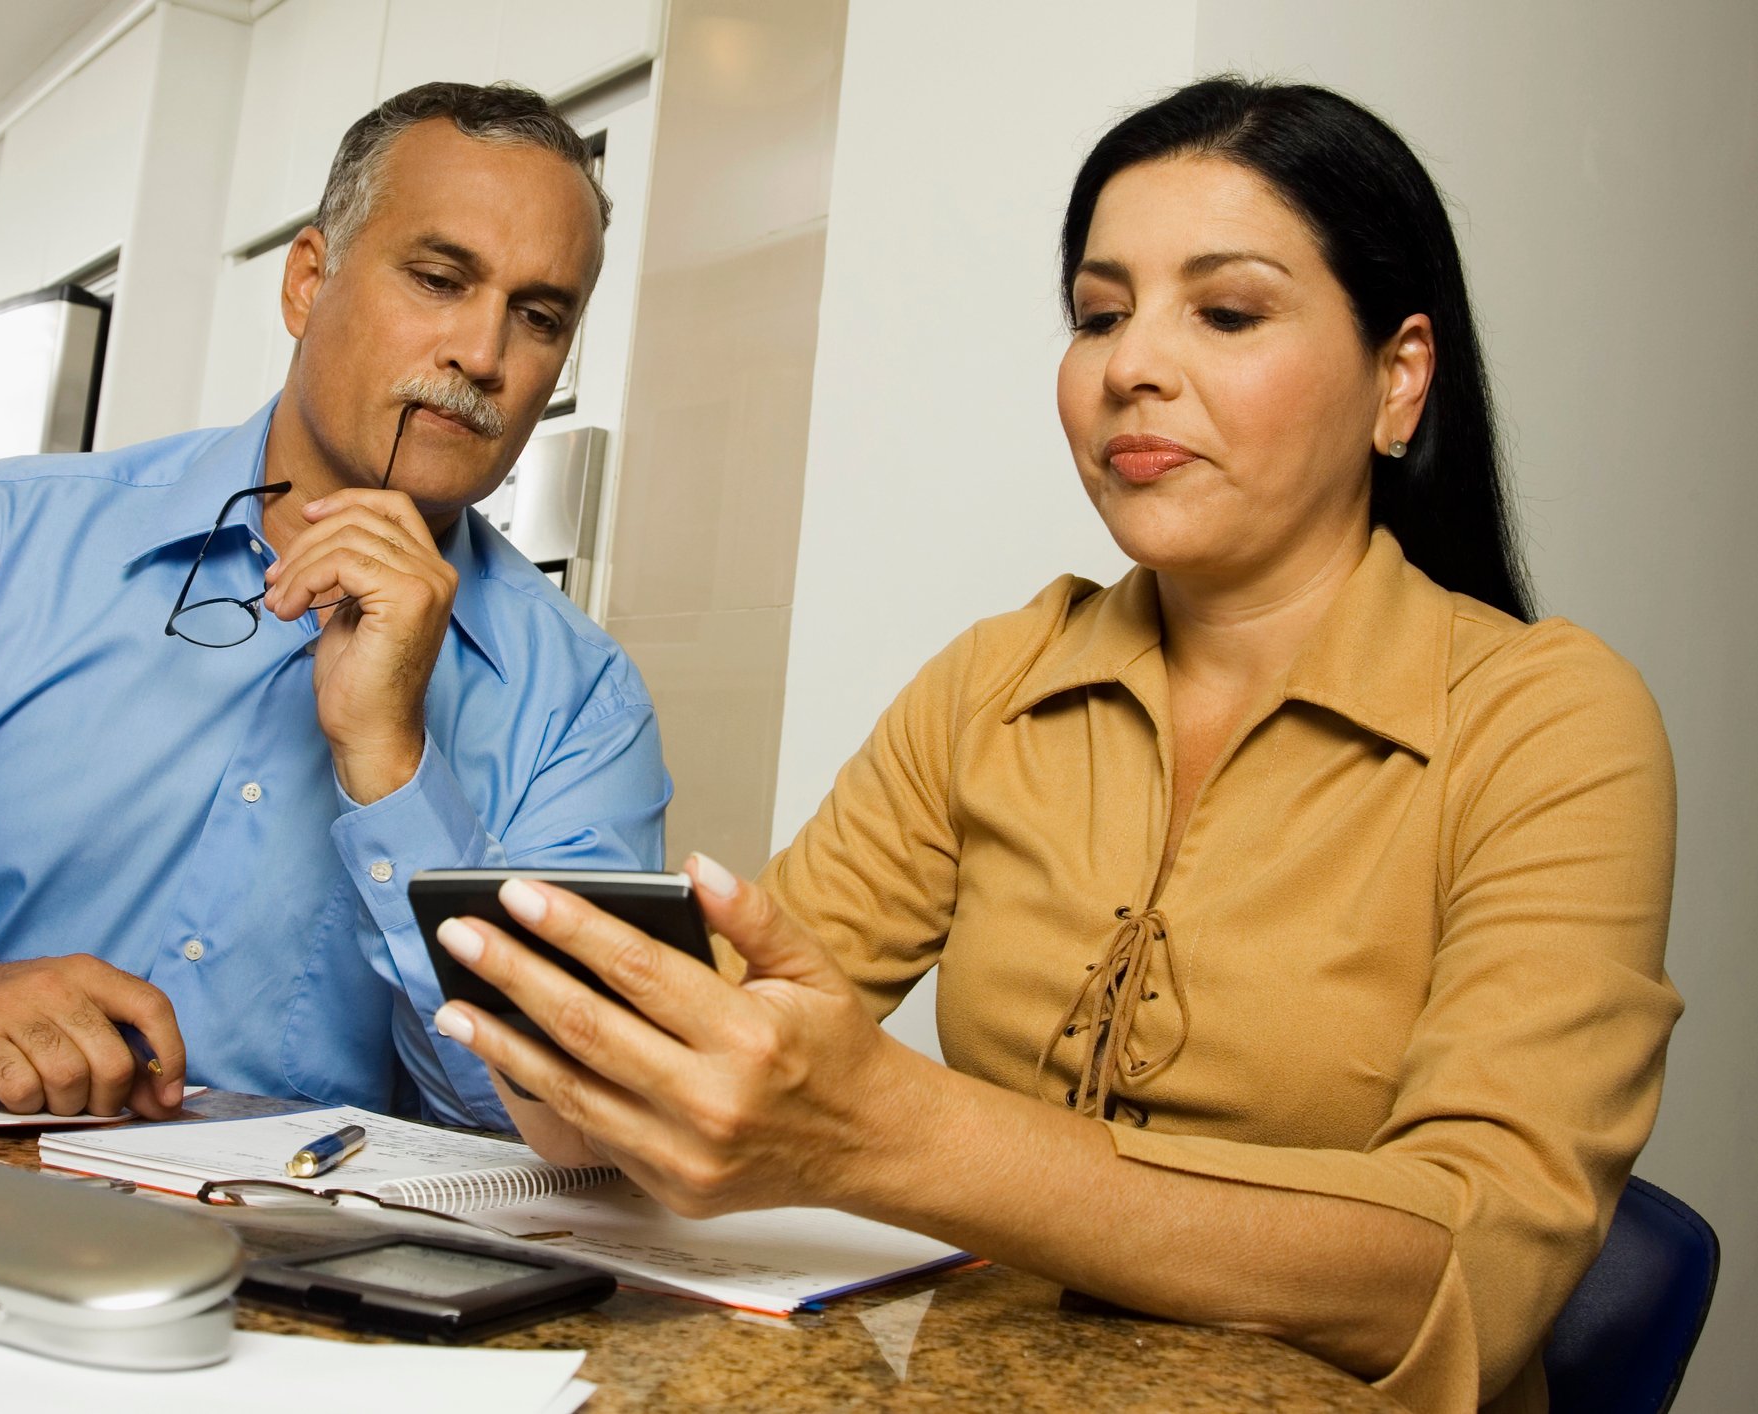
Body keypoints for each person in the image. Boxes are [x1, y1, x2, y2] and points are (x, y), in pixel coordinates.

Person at [416, 78, 1678, 1413]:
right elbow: (720, 1043)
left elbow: (1474, 1263)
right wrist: (609, 1059)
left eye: (1227, 312)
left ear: (1398, 377)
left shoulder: (1546, 718)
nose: (1130, 367)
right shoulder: (994, 682)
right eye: (1098, 314)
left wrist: (897, 1131)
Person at [0, 82, 669, 1129]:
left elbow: (575, 1121)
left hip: (291, 1232)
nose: (483, 356)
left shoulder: (585, 709)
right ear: (308, 282)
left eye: (539, 317)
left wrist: (394, 766)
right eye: (440, 280)